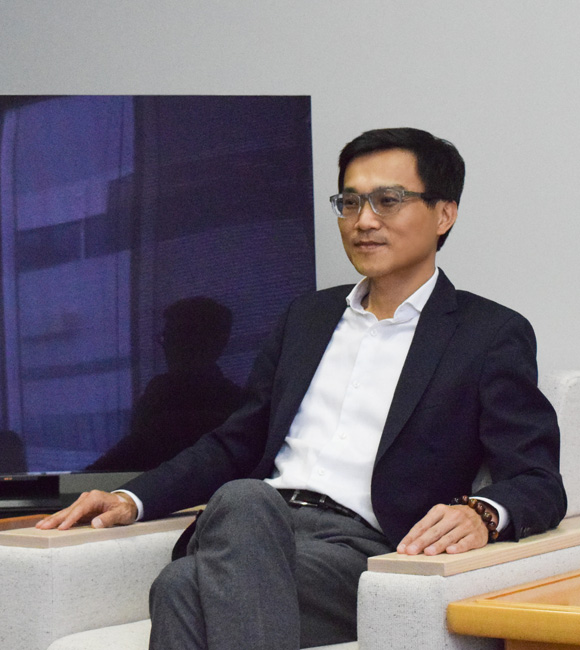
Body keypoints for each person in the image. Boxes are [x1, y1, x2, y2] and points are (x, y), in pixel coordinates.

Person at [37, 127, 566, 650]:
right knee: (233, 521)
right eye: (350, 202)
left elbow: (538, 479)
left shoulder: (488, 334)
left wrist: (482, 513)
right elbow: (236, 443)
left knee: (184, 581)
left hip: (361, 553)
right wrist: (132, 498)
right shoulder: (307, 318)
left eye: (388, 201)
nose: (363, 221)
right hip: (254, 529)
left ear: (444, 213)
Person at [86, 297, 242, 471]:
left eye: (176, 337)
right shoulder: (236, 403)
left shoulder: (232, 410)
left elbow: (136, 449)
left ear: (212, 343)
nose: (167, 347)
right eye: (166, 337)